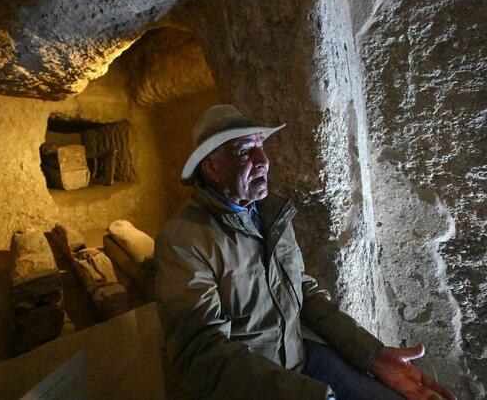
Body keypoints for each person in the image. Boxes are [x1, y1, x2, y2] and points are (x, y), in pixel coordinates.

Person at [154, 105, 456, 400]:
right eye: (246, 151)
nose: (264, 161)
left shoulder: (269, 216)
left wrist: (372, 355)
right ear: (211, 167)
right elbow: (202, 352)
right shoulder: (183, 240)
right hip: (255, 386)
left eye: (262, 147)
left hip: (299, 359)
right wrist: (302, 393)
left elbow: (302, 290)